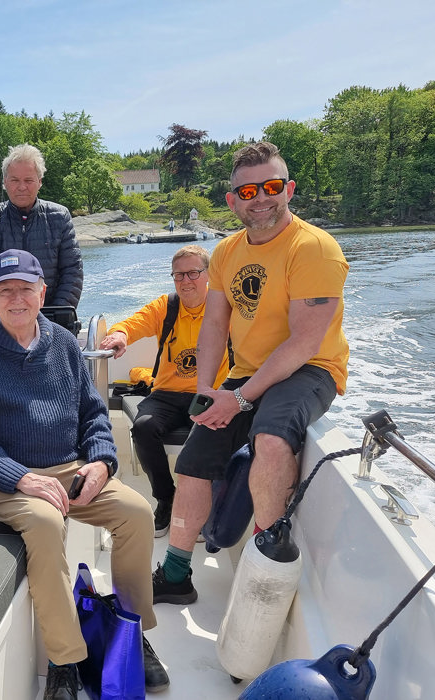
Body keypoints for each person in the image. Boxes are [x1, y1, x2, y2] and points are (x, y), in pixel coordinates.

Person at [0, 249, 169, 698]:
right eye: (5, 290)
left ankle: (131, 631)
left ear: (42, 292)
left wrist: (102, 461)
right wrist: (22, 478)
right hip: (6, 479)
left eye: (25, 289)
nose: (16, 299)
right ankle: (64, 660)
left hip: (71, 468)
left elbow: (93, 413)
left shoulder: (64, 343)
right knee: (48, 524)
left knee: (137, 513)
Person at [153, 142, 349, 605]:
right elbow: (215, 325)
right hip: (246, 370)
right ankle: (176, 574)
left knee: (272, 439)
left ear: (289, 189)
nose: (260, 197)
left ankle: (264, 572)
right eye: (247, 190)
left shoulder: (315, 248)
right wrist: (208, 390)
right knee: (194, 460)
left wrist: (240, 400)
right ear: (232, 200)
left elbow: (305, 342)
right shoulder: (225, 252)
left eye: (271, 186)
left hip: (310, 369)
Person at [99, 245, 230, 537]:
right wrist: (120, 334)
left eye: (193, 273)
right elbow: (134, 323)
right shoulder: (166, 307)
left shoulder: (225, 307)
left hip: (209, 393)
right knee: (143, 427)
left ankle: (204, 506)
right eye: (178, 275)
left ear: (208, 274)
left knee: (213, 431)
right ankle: (166, 498)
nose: (185, 281)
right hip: (167, 394)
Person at [0, 143, 83, 325]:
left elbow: (72, 270)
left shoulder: (59, 217)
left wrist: (59, 312)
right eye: (15, 180)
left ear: (40, 181)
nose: (21, 187)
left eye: (28, 180)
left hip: (50, 314)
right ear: (5, 182)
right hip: (2, 315)